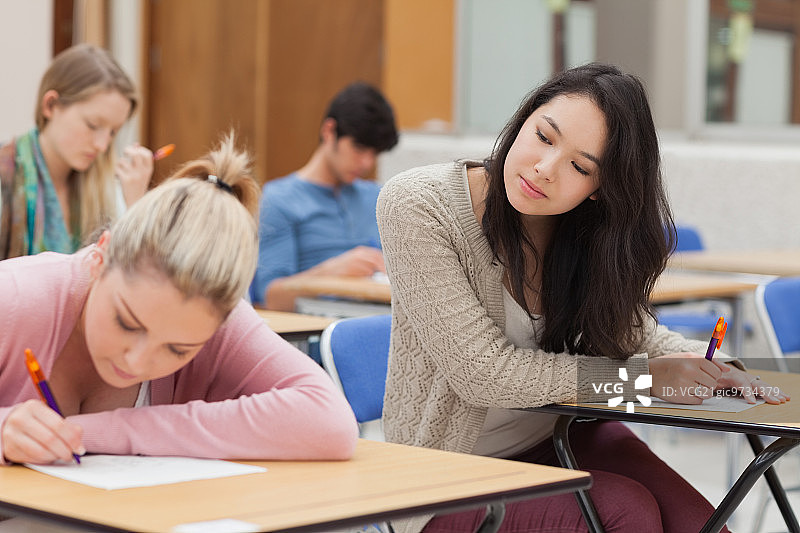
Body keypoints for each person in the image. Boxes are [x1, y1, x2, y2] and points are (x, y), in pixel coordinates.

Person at [376, 63, 789, 533]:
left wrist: (717, 368)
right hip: (440, 474)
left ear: (600, 190)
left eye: (579, 167)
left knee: (698, 522)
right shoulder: (418, 203)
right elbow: (483, 375)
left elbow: (634, 335)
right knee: (627, 513)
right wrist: (643, 381)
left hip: (560, 433)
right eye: (544, 136)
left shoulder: (583, 230)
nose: (544, 169)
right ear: (523, 119)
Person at [0, 133, 358, 466]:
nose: (137, 361)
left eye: (178, 350)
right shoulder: (14, 295)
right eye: (127, 322)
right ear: (101, 257)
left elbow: (331, 423)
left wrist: (111, 430)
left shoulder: (219, 317)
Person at [250, 81, 399, 310]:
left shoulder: (377, 197)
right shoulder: (279, 199)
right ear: (329, 131)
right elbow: (269, 298)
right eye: (359, 149)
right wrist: (332, 273)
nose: (366, 163)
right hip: (313, 331)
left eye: (374, 154)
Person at [0, 43, 155, 261]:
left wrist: (136, 206)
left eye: (112, 133)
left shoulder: (109, 190)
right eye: (92, 125)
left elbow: (131, 276)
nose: (102, 145)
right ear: (51, 105)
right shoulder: (6, 178)